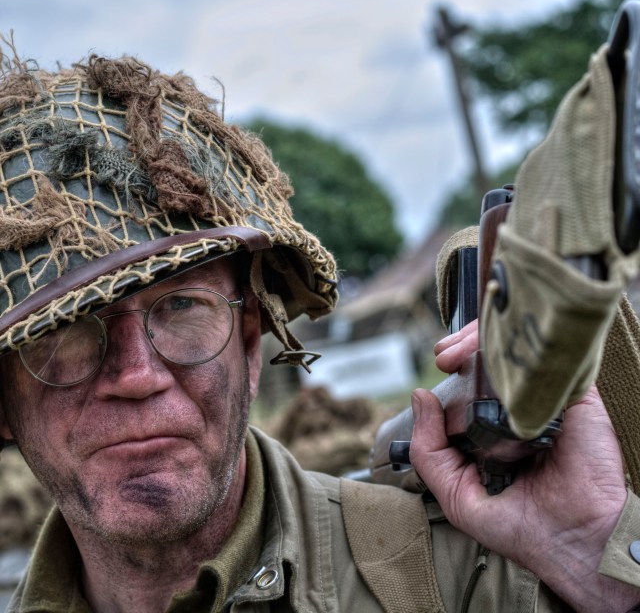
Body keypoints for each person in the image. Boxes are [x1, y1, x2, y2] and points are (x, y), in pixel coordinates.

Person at [0, 47, 638, 613]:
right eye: (68, 330)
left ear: (249, 342)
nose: (138, 375)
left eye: (182, 307)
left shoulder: (473, 578)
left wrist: (587, 559)